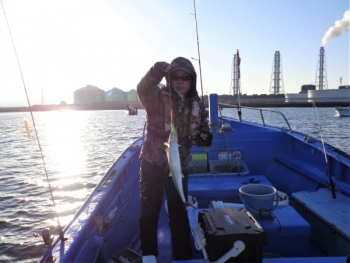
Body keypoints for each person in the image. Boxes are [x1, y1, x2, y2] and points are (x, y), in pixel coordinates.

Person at [137, 57, 212, 260]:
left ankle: (183, 256)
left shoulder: (196, 105)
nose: (180, 81)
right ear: (169, 78)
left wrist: (205, 136)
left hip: (179, 167)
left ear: (192, 79)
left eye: (185, 77)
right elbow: (143, 89)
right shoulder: (156, 97)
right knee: (149, 213)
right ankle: (149, 256)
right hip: (152, 163)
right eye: (175, 76)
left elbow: (199, 131)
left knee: (178, 215)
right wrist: (154, 72)